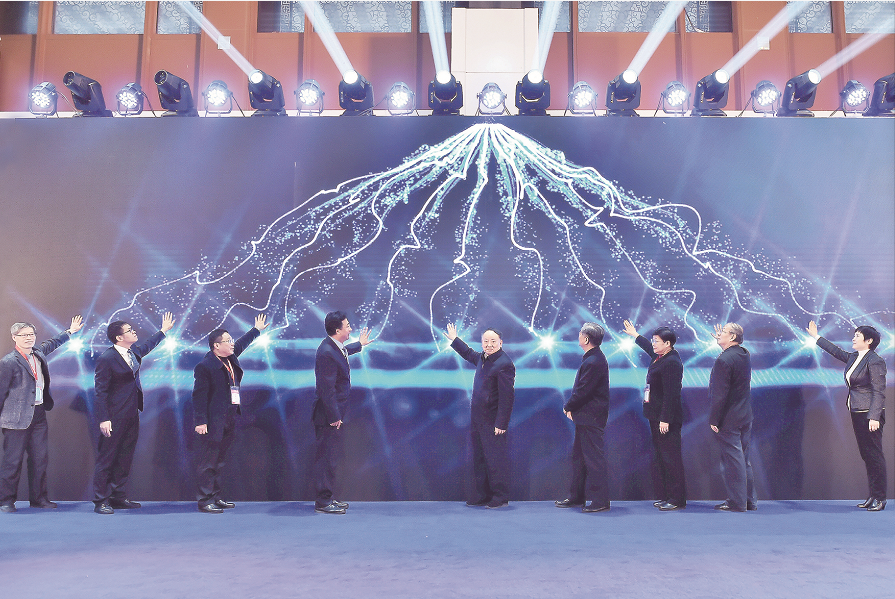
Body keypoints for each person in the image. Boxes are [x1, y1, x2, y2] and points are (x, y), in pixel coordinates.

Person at [92, 312, 175, 514]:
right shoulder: (107, 358)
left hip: (131, 413)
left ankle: (118, 497)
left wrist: (163, 331)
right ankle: (101, 500)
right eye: (129, 330)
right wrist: (104, 418)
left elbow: (147, 346)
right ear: (119, 337)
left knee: (124, 457)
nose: (134, 331)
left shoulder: (133, 352)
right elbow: (101, 391)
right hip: (114, 416)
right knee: (107, 458)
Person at [0, 316, 83, 513]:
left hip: (38, 414)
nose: (29, 338)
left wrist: (70, 332)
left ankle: (39, 499)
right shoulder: (8, 362)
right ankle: (6, 501)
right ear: (14, 337)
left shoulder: (38, 353)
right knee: (12, 462)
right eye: (24, 335)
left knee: (40, 460)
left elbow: (52, 343)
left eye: (31, 334)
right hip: (16, 418)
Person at [192, 314, 270, 513]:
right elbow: (199, 396)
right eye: (227, 341)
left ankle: (216, 496)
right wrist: (201, 421)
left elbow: (242, 344)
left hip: (229, 417)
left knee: (220, 461)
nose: (232, 343)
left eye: (231, 340)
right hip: (213, 421)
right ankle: (205, 500)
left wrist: (256, 330)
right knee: (208, 462)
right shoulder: (205, 366)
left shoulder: (230, 358)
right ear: (216, 346)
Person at [807, 321, 887, 512]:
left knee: (874, 455)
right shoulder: (854, 357)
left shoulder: (875, 361)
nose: (853, 338)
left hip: (869, 414)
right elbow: (835, 351)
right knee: (867, 455)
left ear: (869, 341)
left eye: (857, 335)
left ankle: (880, 498)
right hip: (857, 411)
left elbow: (879, 391)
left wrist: (874, 416)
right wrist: (816, 337)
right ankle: (872, 496)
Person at [444, 323, 515, 509]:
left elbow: (507, 398)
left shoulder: (504, 364)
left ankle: (500, 497)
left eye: (493, 341)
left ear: (501, 343)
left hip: (493, 421)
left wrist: (501, 423)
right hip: (478, 418)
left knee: (495, 459)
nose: (489, 345)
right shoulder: (483, 358)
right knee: (480, 458)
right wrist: (455, 339)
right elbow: (468, 353)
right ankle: (482, 495)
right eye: (485, 341)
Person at [621, 320, 686, 510]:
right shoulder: (660, 356)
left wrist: (665, 418)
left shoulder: (672, 362)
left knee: (671, 458)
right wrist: (635, 335)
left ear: (668, 343)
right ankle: (667, 496)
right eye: (653, 340)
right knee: (661, 457)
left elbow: (672, 394)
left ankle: (676, 499)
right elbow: (649, 349)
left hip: (666, 419)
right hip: (655, 415)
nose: (654, 344)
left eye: (657, 341)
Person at [313, 311, 373, 514]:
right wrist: (334, 416)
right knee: (326, 459)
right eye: (347, 326)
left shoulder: (333, 348)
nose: (350, 329)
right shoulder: (326, 352)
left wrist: (360, 344)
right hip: (328, 417)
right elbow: (326, 389)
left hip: (333, 415)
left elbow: (344, 352)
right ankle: (323, 502)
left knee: (331, 458)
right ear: (337, 330)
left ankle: (327, 497)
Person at [555, 322, 611, 513]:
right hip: (585, 417)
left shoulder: (594, 361)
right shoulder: (592, 358)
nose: (578, 335)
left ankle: (600, 501)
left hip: (591, 418)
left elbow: (584, 390)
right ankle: (577, 497)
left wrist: (569, 406)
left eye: (580, 333)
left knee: (593, 460)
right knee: (579, 459)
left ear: (586, 339)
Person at [709, 323, 756, 512]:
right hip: (745, 415)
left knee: (734, 462)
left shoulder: (724, 360)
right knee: (744, 460)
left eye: (723, 332)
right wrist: (722, 344)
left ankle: (737, 502)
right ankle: (749, 501)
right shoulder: (744, 353)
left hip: (729, 418)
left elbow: (720, 394)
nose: (719, 334)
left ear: (733, 337)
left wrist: (714, 419)